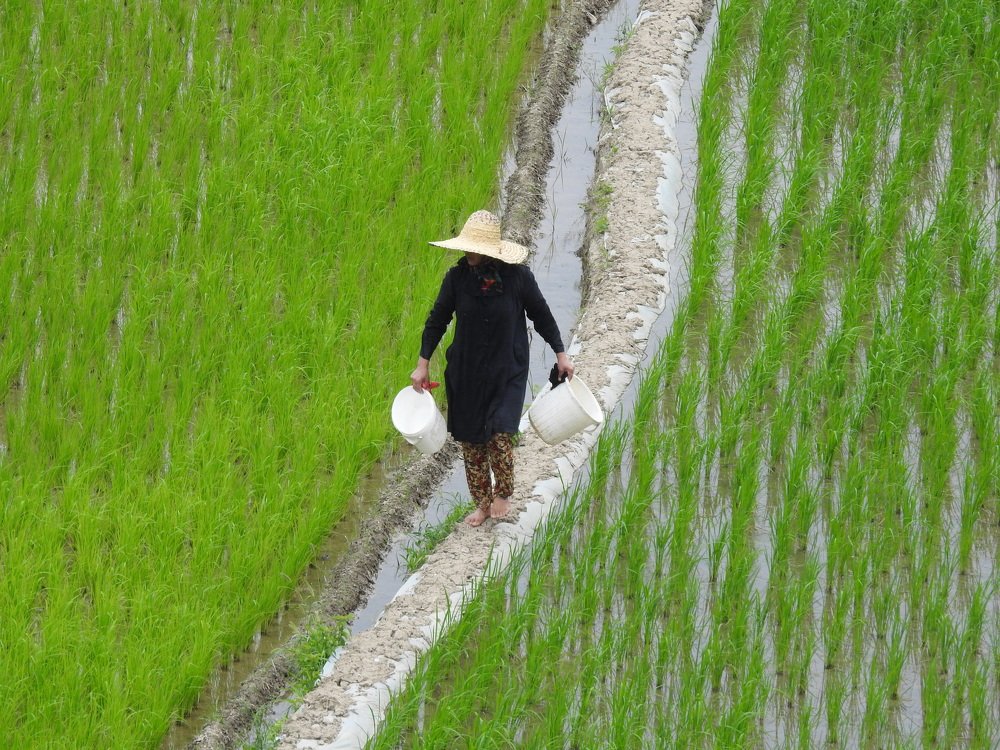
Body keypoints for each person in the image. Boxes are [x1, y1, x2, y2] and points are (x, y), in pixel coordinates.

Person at [411, 210, 574, 527]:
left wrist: (561, 354)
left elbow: (541, 315)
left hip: (506, 369)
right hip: (466, 371)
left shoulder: (518, 278)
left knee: (499, 434)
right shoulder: (457, 279)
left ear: (490, 251)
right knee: (471, 442)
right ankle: (483, 504)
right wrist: (422, 364)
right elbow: (437, 321)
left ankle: (503, 493)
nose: (468, 253)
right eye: (467, 247)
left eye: (474, 248)